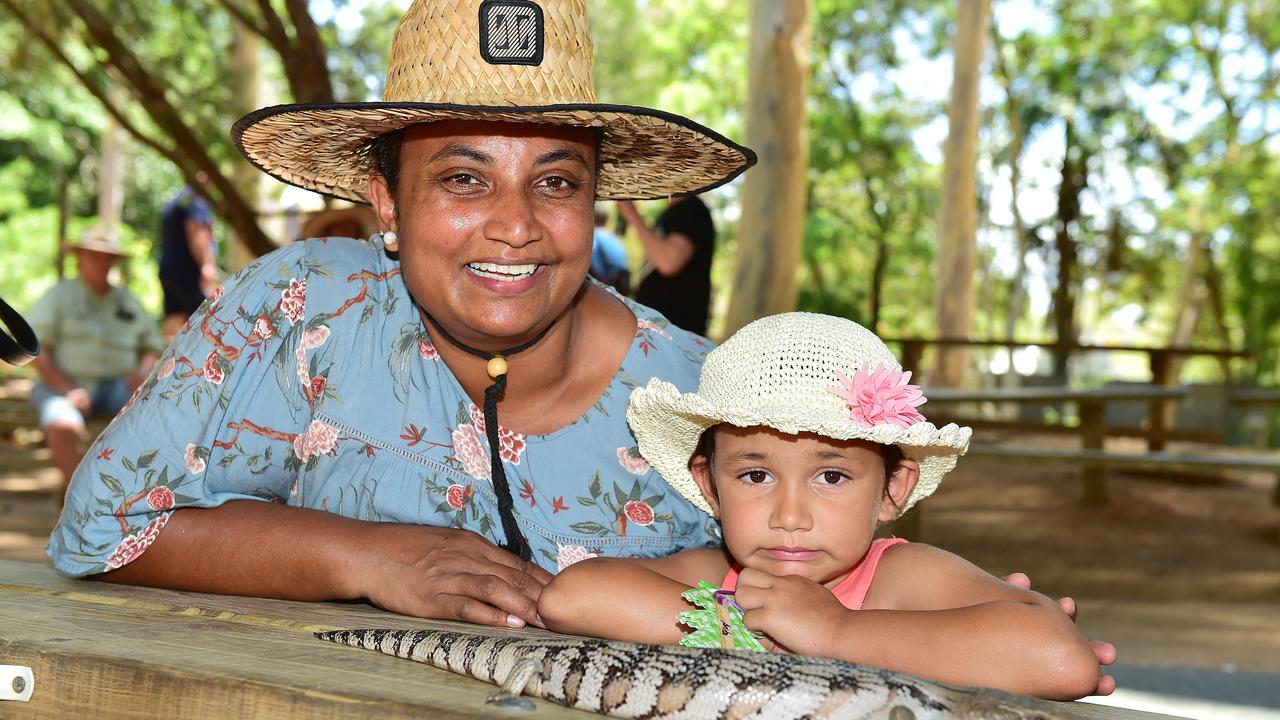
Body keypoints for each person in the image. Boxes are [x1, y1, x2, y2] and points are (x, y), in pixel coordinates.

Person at [45, 2, 1114, 691]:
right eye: (462, 179)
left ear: (593, 198)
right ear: (382, 196)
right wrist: (363, 555)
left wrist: (960, 619)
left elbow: (840, 580)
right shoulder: (300, 310)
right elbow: (98, 527)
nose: (514, 224)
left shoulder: (709, 402)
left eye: (553, 180)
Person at [538, 312, 1102, 700]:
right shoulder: (722, 577)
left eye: (831, 476)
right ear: (709, 485)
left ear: (892, 489)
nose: (789, 515)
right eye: (755, 475)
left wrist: (833, 633)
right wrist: (759, 629)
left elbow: (1061, 660)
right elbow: (574, 596)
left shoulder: (903, 578)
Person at [27, 228, 165, 492]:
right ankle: (80, 498)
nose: (102, 263)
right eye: (95, 256)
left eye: (107, 258)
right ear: (79, 258)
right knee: (63, 426)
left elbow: (153, 345)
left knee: (155, 421)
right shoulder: (60, 295)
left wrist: (143, 371)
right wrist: (67, 388)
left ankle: (130, 498)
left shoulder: (127, 299)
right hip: (64, 383)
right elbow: (36, 349)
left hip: (119, 386)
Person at [619, 193, 716, 336]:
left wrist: (632, 215)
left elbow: (668, 263)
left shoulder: (690, 209)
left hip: (675, 331)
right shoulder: (674, 212)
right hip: (662, 331)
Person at [158, 173, 218, 338]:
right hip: (188, 275)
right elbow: (196, 230)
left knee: (174, 316)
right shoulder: (196, 201)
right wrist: (207, 264)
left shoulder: (176, 200)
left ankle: (167, 360)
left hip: (168, 272)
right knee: (206, 319)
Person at [589, 205, 630, 294]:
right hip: (623, 279)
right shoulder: (612, 236)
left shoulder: (595, 236)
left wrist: (602, 281)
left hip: (610, 281)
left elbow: (594, 259)